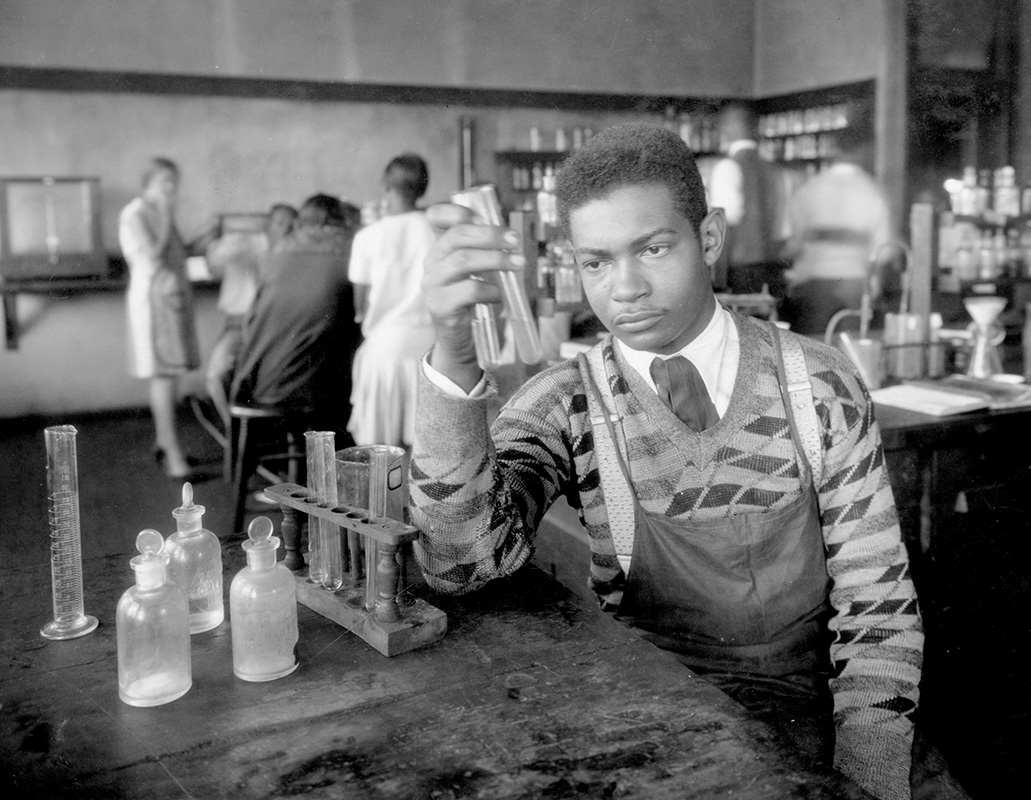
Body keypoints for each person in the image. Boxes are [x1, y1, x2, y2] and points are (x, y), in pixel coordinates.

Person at [411, 123, 962, 800]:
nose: (626, 288)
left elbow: (878, 604)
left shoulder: (819, 383)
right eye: (596, 262)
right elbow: (461, 562)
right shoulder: (566, 403)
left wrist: (867, 779)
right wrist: (452, 353)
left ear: (709, 238)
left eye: (652, 248)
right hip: (655, 727)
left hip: (824, 710)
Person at [228, 193, 359, 445]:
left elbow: (250, 323)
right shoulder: (345, 259)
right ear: (334, 224)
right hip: (309, 393)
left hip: (259, 384)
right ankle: (335, 458)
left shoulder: (274, 258)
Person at [119, 156, 217, 479]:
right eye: (166, 182)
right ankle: (173, 456)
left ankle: (164, 443)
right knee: (163, 375)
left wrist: (204, 235)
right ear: (148, 183)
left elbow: (178, 252)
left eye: (174, 181)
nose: (172, 188)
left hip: (171, 297)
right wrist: (166, 215)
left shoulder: (157, 212)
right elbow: (154, 254)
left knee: (170, 375)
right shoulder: (136, 213)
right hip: (154, 301)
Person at [347, 154, 437, 448]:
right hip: (433, 349)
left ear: (385, 185)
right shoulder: (437, 232)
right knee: (426, 449)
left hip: (385, 351)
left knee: (381, 453)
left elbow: (359, 307)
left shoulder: (368, 236)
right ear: (423, 189)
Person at [779, 124, 893, 337]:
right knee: (849, 351)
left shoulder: (809, 188)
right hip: (855, 285)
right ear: (863, 150)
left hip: (813, 283)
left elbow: (793, 244)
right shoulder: (873, 192)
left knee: (811, 351)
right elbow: (884, 251)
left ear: (834, 149)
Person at [203, 203, 298, 429]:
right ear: (268, 225)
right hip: (239, 325)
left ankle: (271, 431)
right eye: (279, 223)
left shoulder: (294, 253)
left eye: (291, 225)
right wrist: (237, 237)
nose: (285, 229)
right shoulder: (247, 243)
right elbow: (213, 260)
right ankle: (236, 432)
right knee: (217, 373)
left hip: (276, 328)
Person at [707, 103, 788, 297]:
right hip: (774, 269)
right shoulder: (777, 172)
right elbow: (784, 229)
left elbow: (723, 224)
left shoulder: (727, 168)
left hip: (740, 271)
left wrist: (716, 279)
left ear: (728, 128)